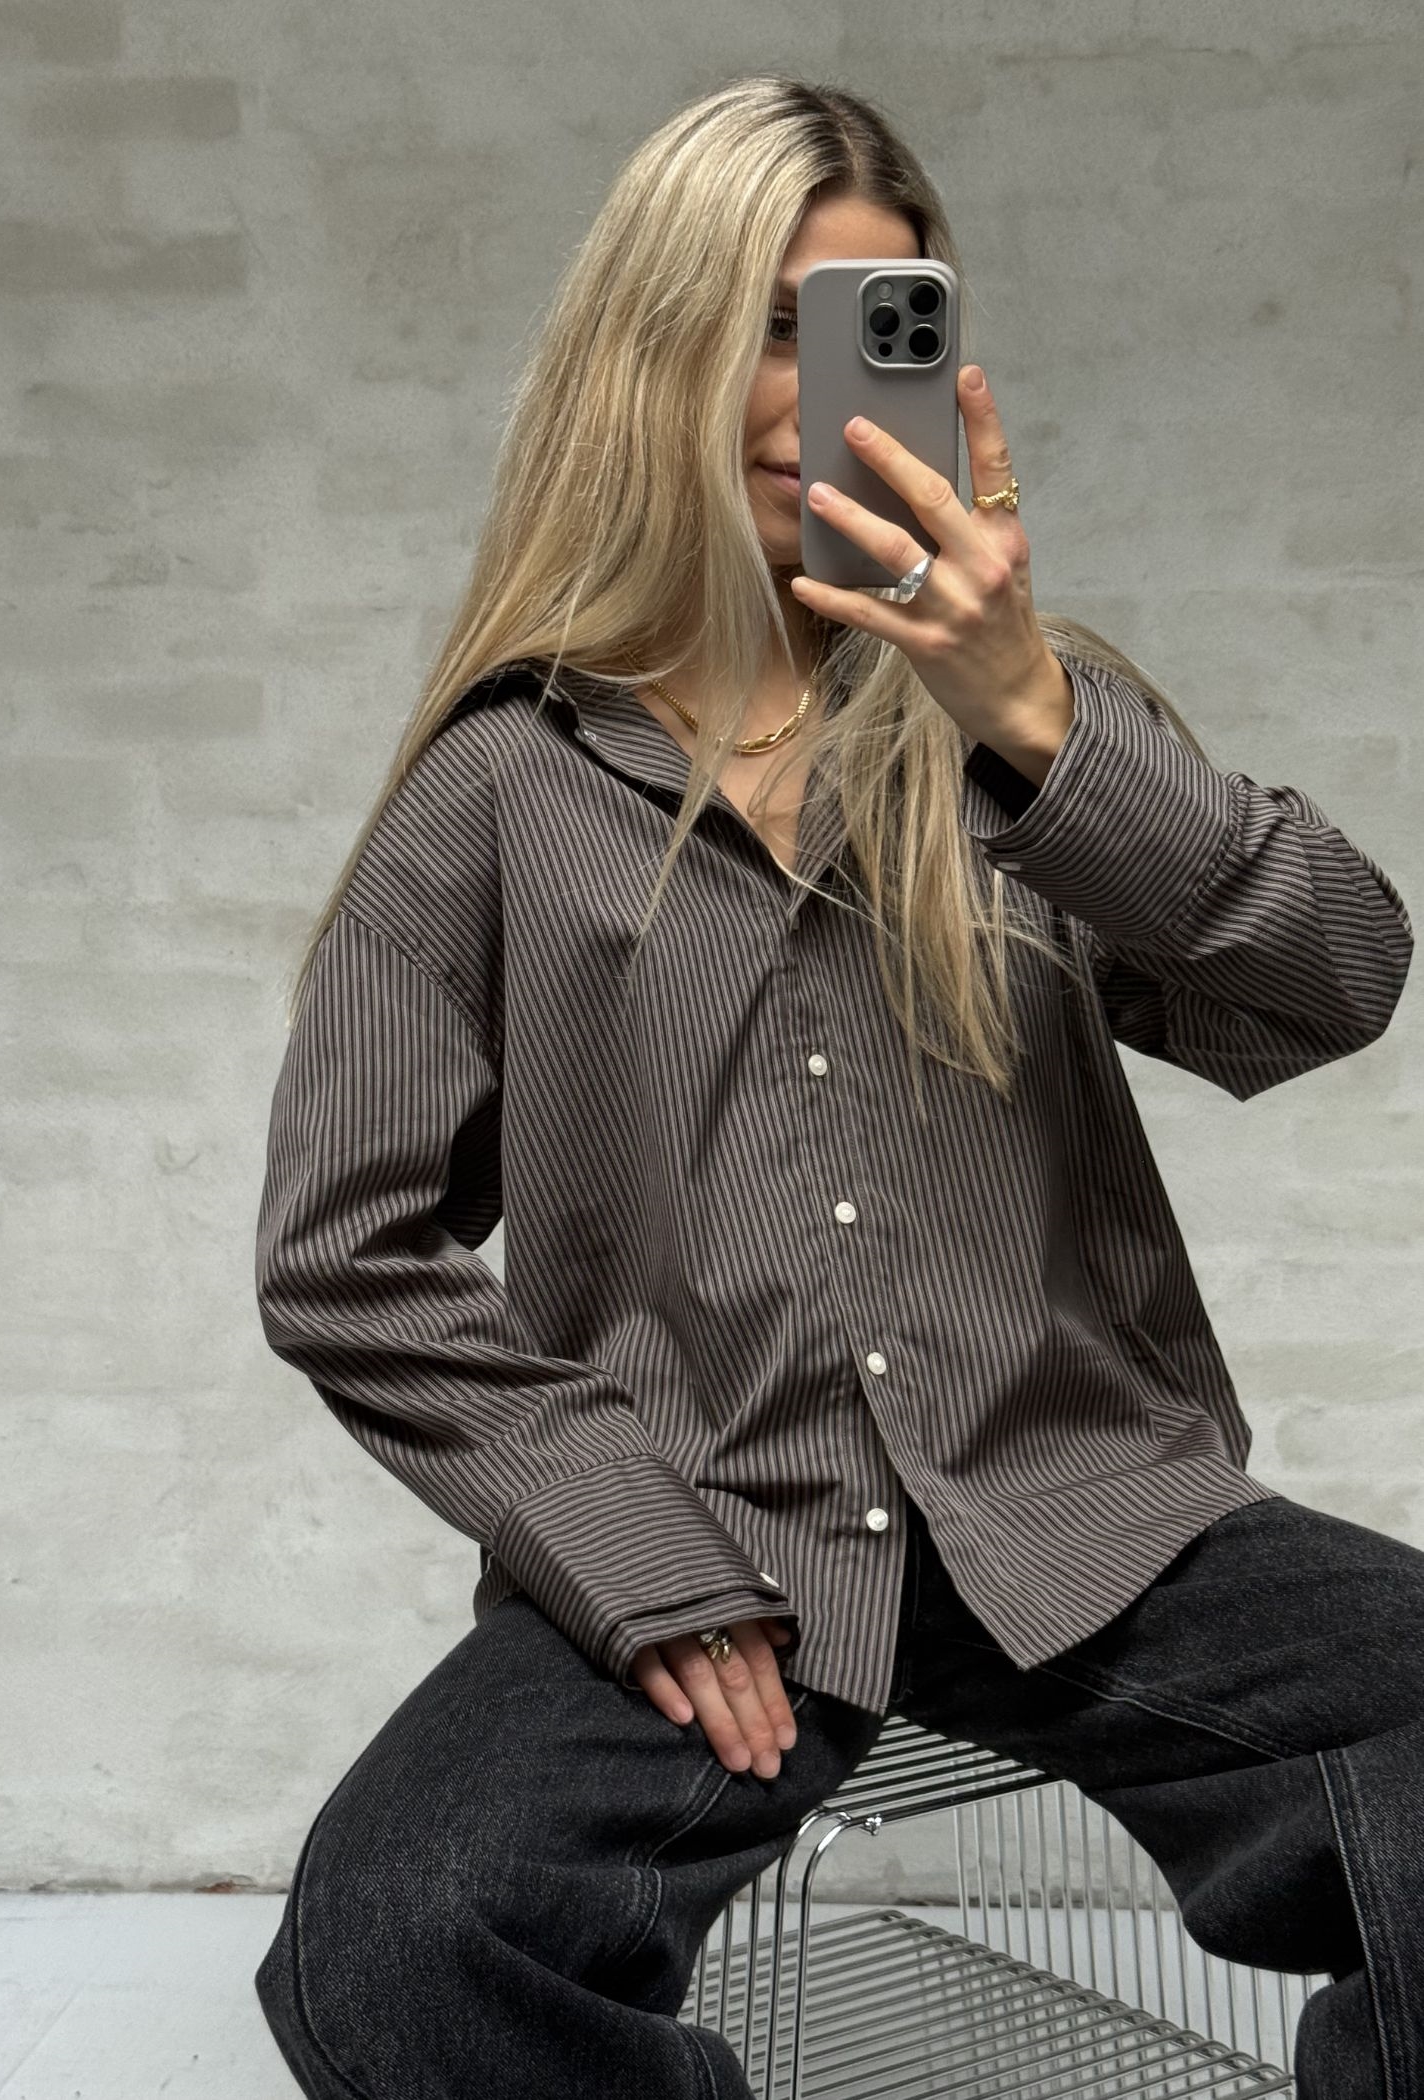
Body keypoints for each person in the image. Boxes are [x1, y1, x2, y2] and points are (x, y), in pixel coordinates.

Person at [250, 75, 1417, 2100]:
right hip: (708, 1540)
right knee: (398, 1939)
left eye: (881, 323)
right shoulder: (502, 785)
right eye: (771, 327)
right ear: (657, 360)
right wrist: (625, 1549)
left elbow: (1329, 983)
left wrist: (1028, 710)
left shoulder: (1029, 720)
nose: (824, 390)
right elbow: (347, 1251)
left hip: (1087, 1511)